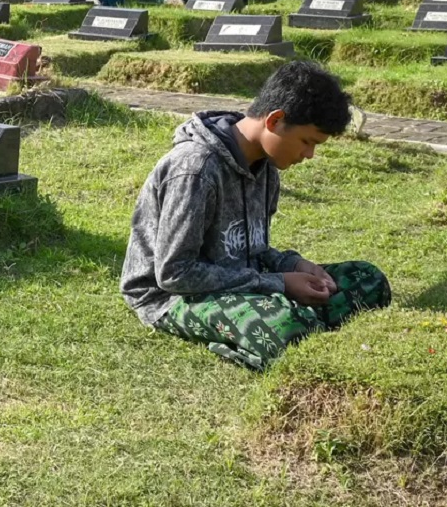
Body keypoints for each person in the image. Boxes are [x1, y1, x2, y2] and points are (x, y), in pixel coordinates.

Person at [120, 62, 391, 370]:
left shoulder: (266, 167)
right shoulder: (194, 170)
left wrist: (294, 265)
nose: (309, 155)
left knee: (368, 279)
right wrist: (279, 284)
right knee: (287, 328)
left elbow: (253, 248)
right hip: (171, 297)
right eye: (308, 141)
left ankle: (299, 320)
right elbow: (175, 274)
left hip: (244, 279)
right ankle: (292, 322)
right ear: (275, 120)